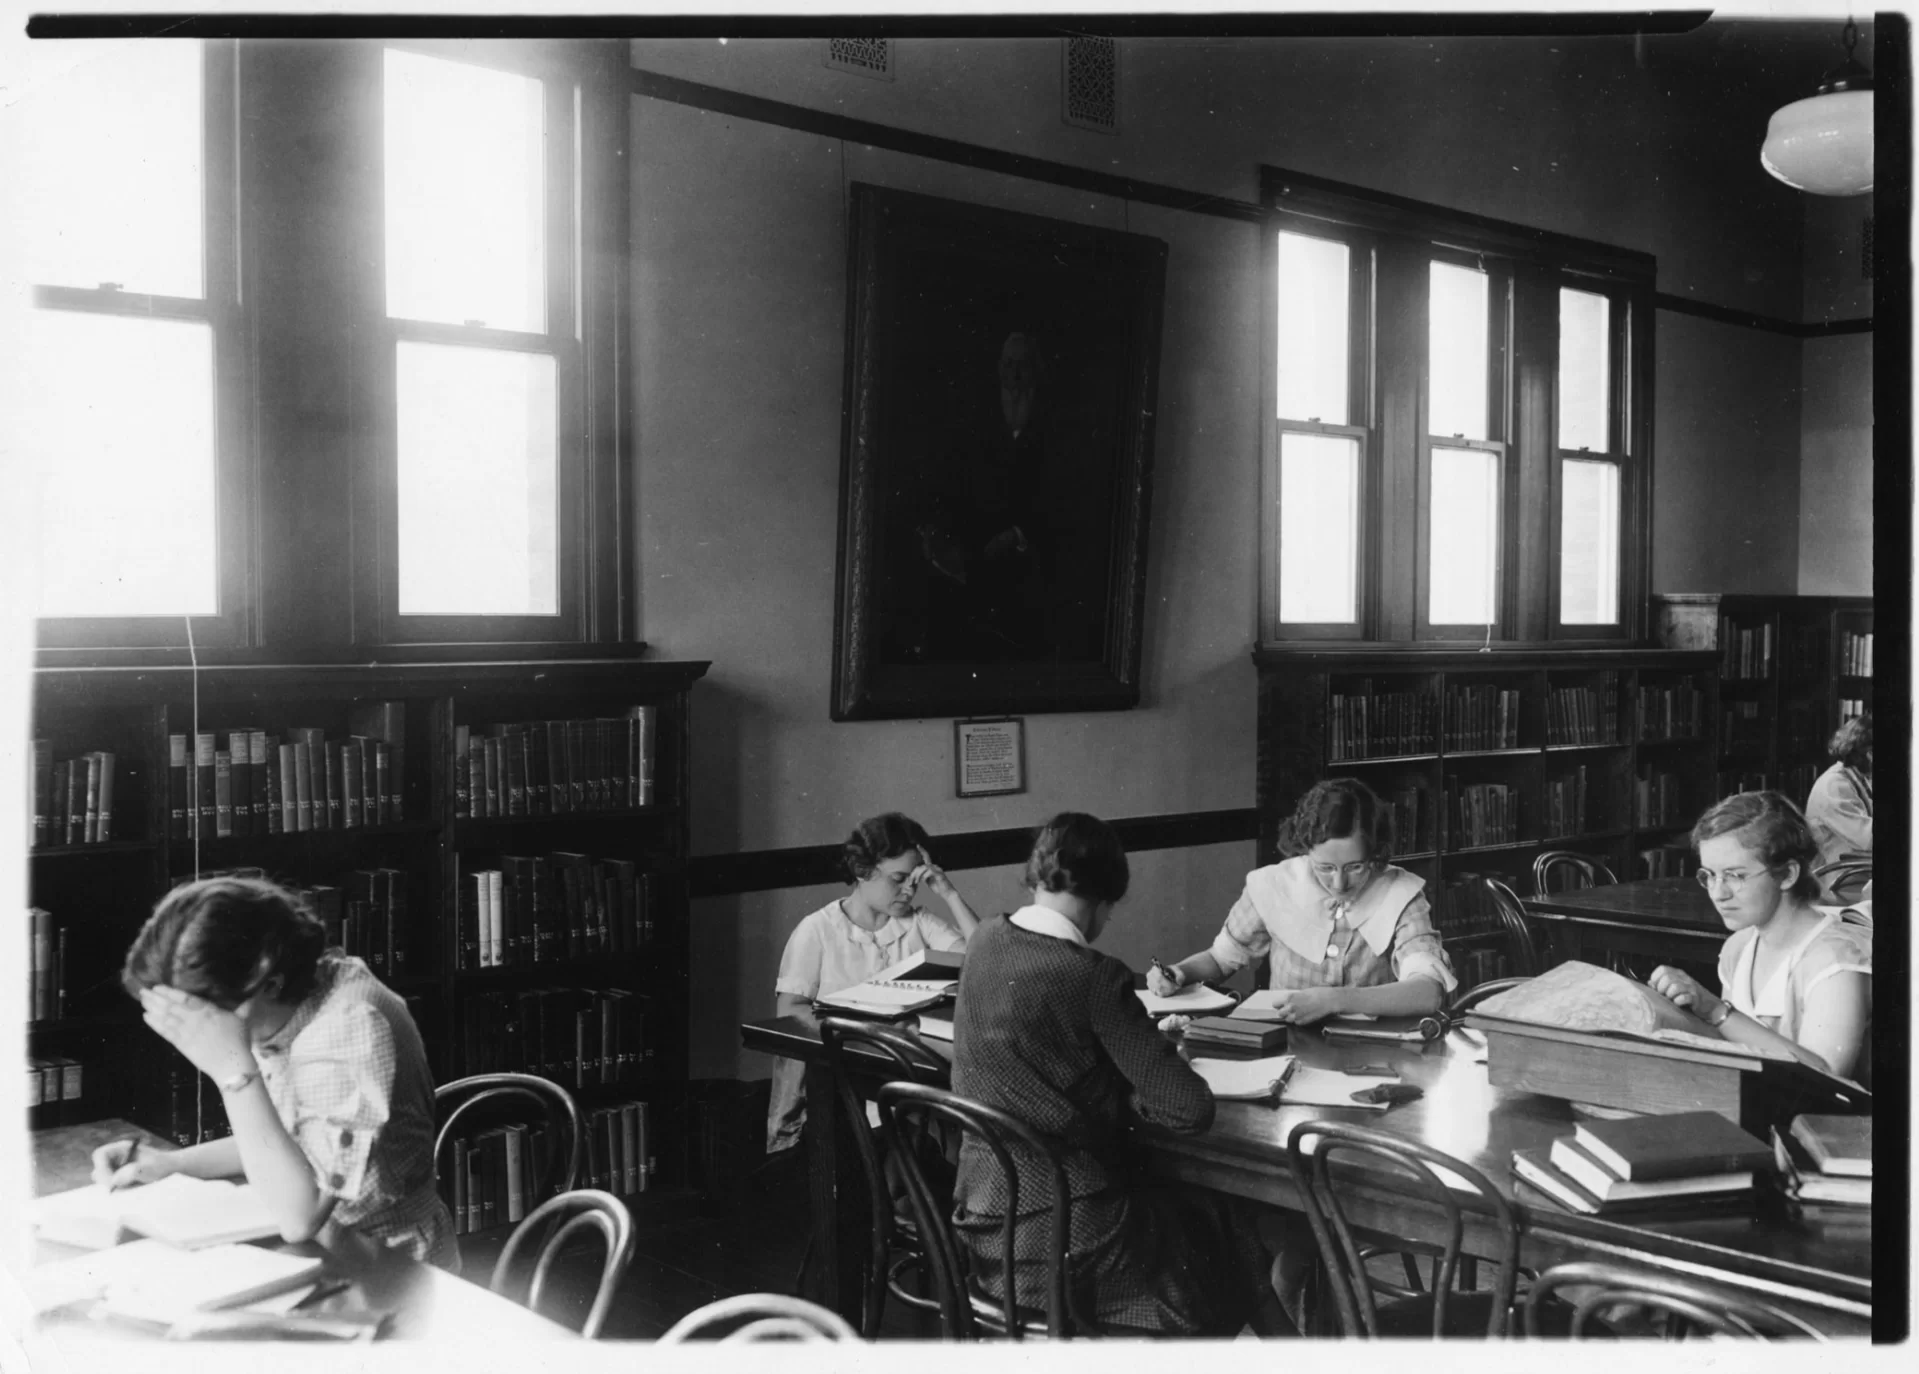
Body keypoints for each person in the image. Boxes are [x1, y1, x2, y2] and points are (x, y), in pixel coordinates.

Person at [948, 812, 1287, 1336]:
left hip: (987, 1219)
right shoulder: (1093, 974)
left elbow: (1044, 1057)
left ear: (1037, 879)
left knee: (1215, 1223)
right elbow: (1188, 1109)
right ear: (1102, 901)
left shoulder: (986, 939)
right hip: (1071, 1236)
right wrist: (1157, 1061)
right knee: (1220, 1225)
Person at [93, 875, 458, 1269]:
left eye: (203, 1017)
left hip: (388, 1267)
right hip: (326, 1251)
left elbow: (300, 1218)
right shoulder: (299, 997)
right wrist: (172, 1164)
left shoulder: (348, 1026)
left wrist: (235, 1074)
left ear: (268, 983)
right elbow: (297, 1136)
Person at [1147, 778, 1455, 1021]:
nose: (1339, 882)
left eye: (1355, 867)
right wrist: (1179, 973)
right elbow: (1220, 959)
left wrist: (1336, 1000)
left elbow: (1428, 992)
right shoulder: (1274, 885)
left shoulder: (1401, 894)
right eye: (1325, 867)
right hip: (1288, 1047)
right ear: (1304, 849)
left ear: (1375, 853)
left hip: (1375, 1051)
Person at [765, 812, 979, 1153]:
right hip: (842, 1081)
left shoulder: (919, 922)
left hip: (906, 1077)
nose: (909, 890)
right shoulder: (818, 930)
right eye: (899, 879)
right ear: (863, 871)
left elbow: (985, 959)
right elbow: (790, 1011)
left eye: (916, 881)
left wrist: (949, 894)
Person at [1649, 791, 1871, 1083]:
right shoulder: (1738, 948)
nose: (1718, 893)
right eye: (1710, 875)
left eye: (1735, 875)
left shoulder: (1834, 961)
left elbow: (1829, 1079)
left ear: (1788, 874)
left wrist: (1716, 1011)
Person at [1805, 711, 1872, 902]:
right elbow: (1867, 838)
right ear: (1870, 754)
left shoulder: (1857, 778)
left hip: (1860, 871)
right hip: (1840, 881)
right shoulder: (1833, 785)